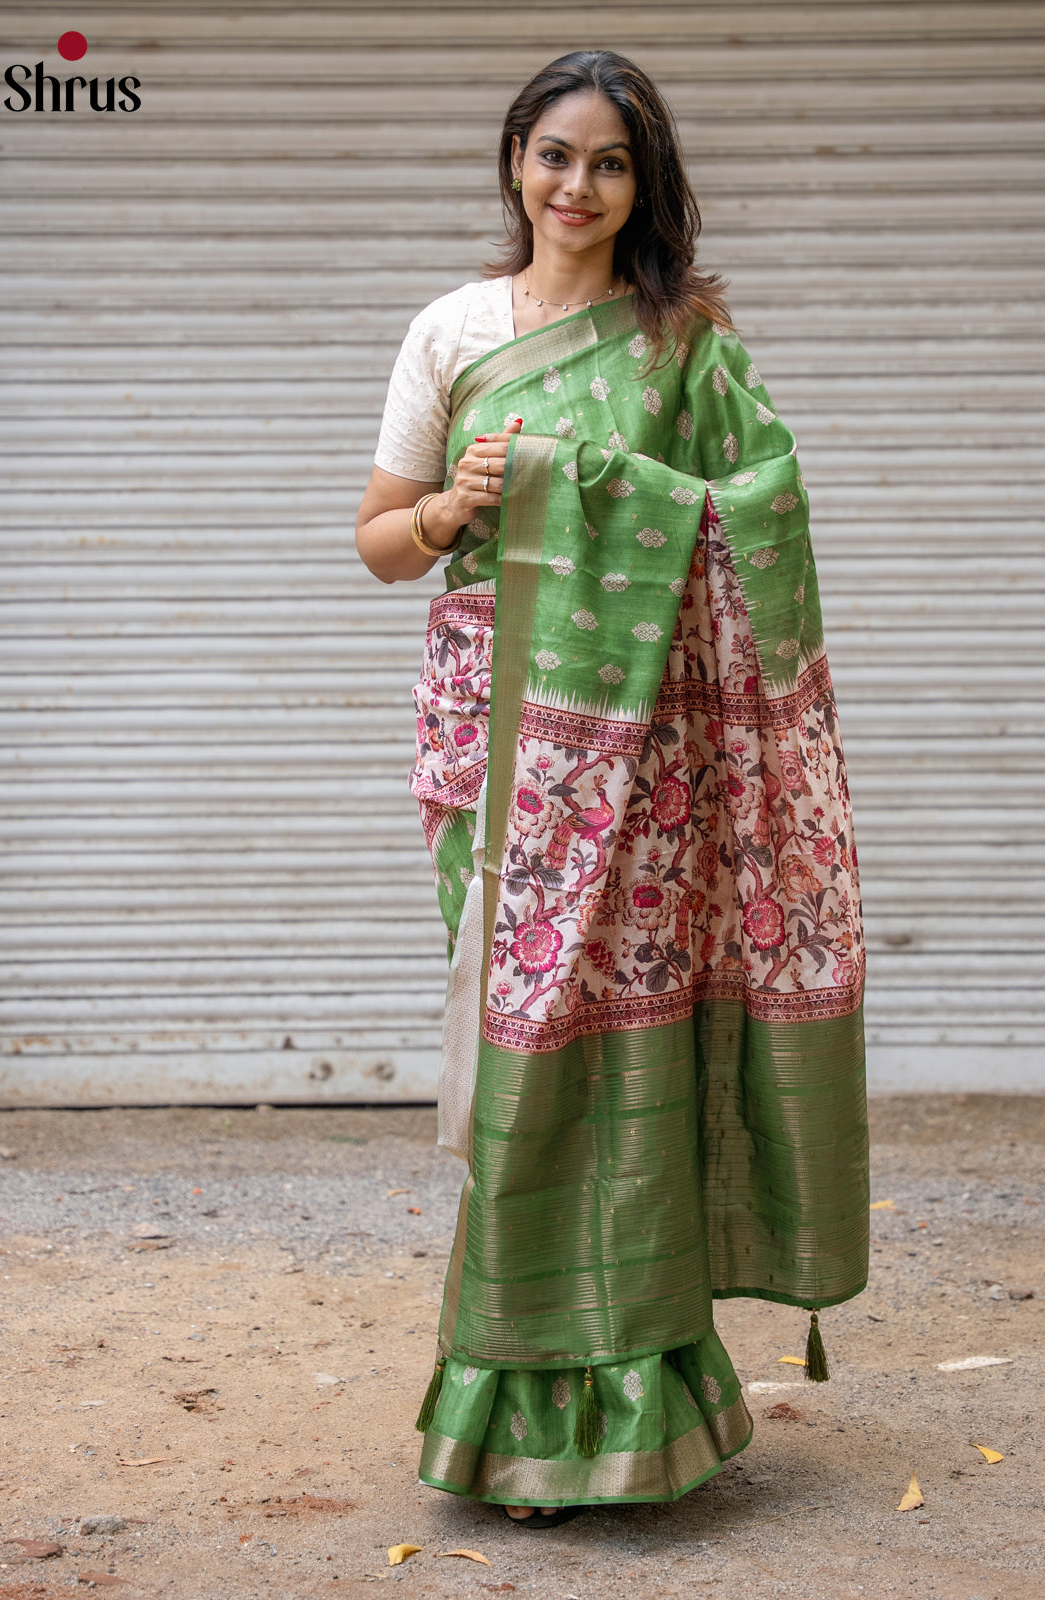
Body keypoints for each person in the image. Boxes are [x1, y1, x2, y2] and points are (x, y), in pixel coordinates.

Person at [354, 49, 869, 1528]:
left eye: (610, 163)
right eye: (553, 154)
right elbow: (384, 540)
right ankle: (513, 1397)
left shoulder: (680, 344)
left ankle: (640, 1391)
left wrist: (593, 487)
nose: (575, 187)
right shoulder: (452, 330)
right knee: (516, 1048)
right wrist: (460, 502)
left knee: (624, 1038)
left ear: (646, 186)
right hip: (491, 744)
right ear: (515, 163)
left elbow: (762, 507)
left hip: (639, 754)